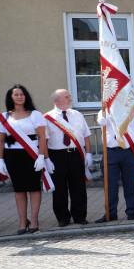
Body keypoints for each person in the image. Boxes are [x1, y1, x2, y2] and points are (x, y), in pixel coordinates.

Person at [0, 84, 48, 234]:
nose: (19, 97)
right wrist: (0, 160)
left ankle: (34, 220)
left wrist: (41, 156)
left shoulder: (35, 114)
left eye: (22, 94)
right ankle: (22, 221)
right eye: (16, 94)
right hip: (13, 156)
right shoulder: (5, 117)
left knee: (33, 187)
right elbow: (0, 140)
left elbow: (42, 137)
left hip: (31, 155)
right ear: (10, 98)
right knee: (19, 189)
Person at [45, 89, 91, 226]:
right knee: (59, 189)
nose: (70, 99)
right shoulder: (47, 117)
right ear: (56, 101)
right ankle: (63, 218)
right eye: (66, 97)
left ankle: (80, 216)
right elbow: (44, 140)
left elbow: (86, 135)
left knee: (79, 186)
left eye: (69, 96)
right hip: (57, 155)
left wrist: (88, 153)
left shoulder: (77, 114)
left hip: (76, 153)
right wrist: (46, 159)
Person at [95, 110, 134, 223]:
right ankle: (111, 213)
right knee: (110, 185)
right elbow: (100, 120)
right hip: (110, 152)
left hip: (128, 152)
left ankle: (131, 211)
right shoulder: (104, 111)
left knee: (129, 183)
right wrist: (101, 120)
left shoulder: (133, 112)